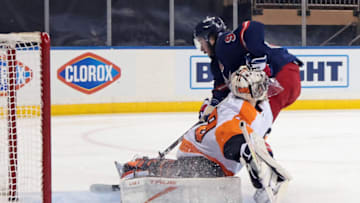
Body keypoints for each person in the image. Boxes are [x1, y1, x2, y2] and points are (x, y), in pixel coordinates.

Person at [117, 67, 288, 203]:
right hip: (202, 158)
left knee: (205, 172)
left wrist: (263, 161)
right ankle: (139, 167)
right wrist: (246, 152)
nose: (265, 91)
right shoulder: (236, 110)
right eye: (261, 87)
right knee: (200, 173)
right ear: (252, 91)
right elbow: (229, 138)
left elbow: (253, 140)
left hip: (206, 156)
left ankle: (147, 166)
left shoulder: (244, 106)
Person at [193, 16, 302, 122]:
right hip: (282, 78)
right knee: (249, 127)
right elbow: (221, 90)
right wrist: (211, 108)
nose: (201, 49)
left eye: (200, 42)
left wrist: (259, 60)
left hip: (282, 74)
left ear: (210, 38)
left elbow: (251, 27)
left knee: (252, 126)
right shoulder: (217, 63)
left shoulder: (223, 43)